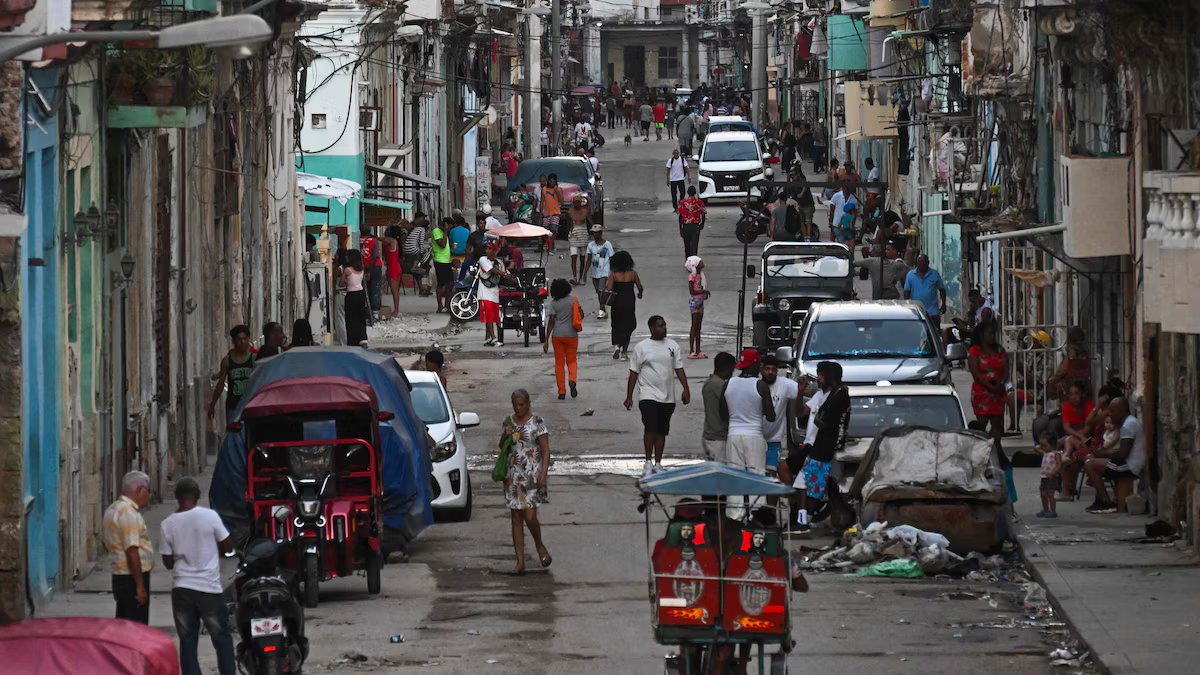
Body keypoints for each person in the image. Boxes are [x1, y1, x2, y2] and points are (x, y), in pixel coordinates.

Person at [160, 477, 236, 675]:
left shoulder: (167, 524)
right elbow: (228, 546)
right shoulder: (209, 516)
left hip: (182, 588)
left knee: (187, 641)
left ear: (177, 497)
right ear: (197, 496)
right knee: (221, 639)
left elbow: (168, 563)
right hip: (208, 588)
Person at [625, 315, 691, 476]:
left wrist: (686, 388)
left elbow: (679, 368)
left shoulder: (672, 346)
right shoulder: (642, 347)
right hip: (648, 395)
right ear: (652, 329)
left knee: (661, 431)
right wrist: (629, 396)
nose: (664, 328)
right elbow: (634, 373)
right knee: (650, 428)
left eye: (664, 325)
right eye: (660, 326)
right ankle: (648, 462)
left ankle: (658, 463)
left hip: (667, 396)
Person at [792, 361, 850, 533]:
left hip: (824, 448)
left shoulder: (838, 396)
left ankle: (804, 521)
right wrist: (800, 394)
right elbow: (801, 412)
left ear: (829, 377)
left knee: (806, 484)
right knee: (807, 485)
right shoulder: (827, 394)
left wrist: (818, 419)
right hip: (818, 447)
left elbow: (826, 423)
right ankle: (804, 520)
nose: (818, 378)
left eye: (821, 375)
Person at [501, 389, 552, 575]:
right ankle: (520, 562)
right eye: (515, 405)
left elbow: (546, 449)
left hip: (532, 474)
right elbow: (503, 447)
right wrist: (505, 435)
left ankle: (539, 545)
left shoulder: (537, 422)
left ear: (528, 404)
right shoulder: (509, 422)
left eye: (521, 405)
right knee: (516, 517)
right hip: (513, 474)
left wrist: (544, 473)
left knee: (530, 516)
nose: (518, 408)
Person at [719, 349, 775, 516]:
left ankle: (734, 516)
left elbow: (722, 413)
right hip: (754, 436)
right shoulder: (761, 385)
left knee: (735, 476)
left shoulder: (728, 384)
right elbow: (771, 415)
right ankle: (756, 515)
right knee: (756, 475)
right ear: (755, 365)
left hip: (733, 436)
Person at [102, 470, 153, 623]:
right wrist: (139, 586)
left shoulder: (113, 509)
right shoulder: (127, 513)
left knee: (124, 623)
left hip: (120, 575)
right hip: (131, 577)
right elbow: (132, 551)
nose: (148, 496)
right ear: (139, 490)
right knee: (136, 624)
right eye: (148, 491)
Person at [1084, 397, 1144, 514]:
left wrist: (1101, 453)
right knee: (1092, 461)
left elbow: (1122, 454)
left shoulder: (1128, 425)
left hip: (1130, 465)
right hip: (1129, 462)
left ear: (1121, 411)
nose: (1110, 415)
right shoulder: (1129, 422)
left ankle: (1105, 500)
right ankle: (1105, 500)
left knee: (1089, 465)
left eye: (1113, 411)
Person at [967, 321, 1008, 443]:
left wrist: (1001, 383)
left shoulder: (1000, 349)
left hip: (998, 392)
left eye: (993, 334)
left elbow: (1006, 369)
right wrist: (989, 386)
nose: (992, 336)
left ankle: (996, 448)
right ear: (982, 335)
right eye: (989, 333)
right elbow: (975, 371)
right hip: (982, 392)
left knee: (997, 424)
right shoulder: (975, 350)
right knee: (981, 424)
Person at [761, 355, 799, 479]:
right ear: (761, 370)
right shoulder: (755, 385)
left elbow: (804, 391)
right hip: (755, 439)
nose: (770, 372)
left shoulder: (785, 384)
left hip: (773, 441)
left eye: (773, 369)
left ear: (777, 371)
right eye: (767, 369)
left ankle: (772, 498)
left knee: (771, 477)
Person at [207, 325, 256, 421]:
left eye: (245, 339)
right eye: (239, 339)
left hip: (250, 405)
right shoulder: (227, 361)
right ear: (233, 341)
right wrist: (212, 404)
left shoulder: (254, 359)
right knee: (233, 433)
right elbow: (220, 384)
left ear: (248, 339)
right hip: (233, 406)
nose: (242, 342)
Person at [544, 278, 581, 400]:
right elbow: (581, 315)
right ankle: (572, 380)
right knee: (572, 361)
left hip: (557, 335)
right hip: (572, 335)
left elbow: (551, 322)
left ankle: (561, 391)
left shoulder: (554, 303)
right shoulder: (573, 300)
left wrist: (546, 340)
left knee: (559, 363)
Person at [607, 250, 643, 359]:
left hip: (617, 301)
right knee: (628, 324)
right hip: (629, 301)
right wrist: (640, 294)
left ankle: (617, 346)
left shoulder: (613, 274)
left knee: (616, 324)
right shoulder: (632, 273)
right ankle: (624, 353)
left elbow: (609, 289)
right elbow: (640, 287)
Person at [701, 352, 736, 462]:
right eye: (732, 369)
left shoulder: (708, 382)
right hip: (718, 437)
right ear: (725, 368)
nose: (732, 372)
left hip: (710, 435)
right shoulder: (720, 386)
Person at [1058, 381, 1096, 481]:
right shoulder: (1066, 406)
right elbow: (1067, 427)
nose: (1074, 397)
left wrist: (1078, 436)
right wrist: (1079, 436)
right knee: (1064, 441)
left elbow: (1088, 429)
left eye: (1077, 393)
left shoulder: (1089, 405)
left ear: (1082, 394)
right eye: (1071, 394)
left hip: (1088, 438)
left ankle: (1066, 457)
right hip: (1077, 437)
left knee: (1067, 441)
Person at [477, 243, 511, 347]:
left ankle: (488, 338)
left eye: (490, 249)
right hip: (484, 292)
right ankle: (494, 338)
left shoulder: (499, 262)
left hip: (494, 292)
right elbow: (491, 270)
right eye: (486, 248)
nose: (487, 251)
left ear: (495, 251)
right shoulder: (483, 259)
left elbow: (505, 273)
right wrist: (504, 274)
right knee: (489, 317)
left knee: (493, 316)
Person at [904, 254, 947, 333]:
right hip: (916, 311)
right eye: (920, 261)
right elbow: (907, 291)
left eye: (924, 261)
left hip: (932, 311)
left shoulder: (934, 274)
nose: (922, 263)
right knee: (917, 333)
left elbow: (942, 289)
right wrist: (908, 306)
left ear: (928, 262)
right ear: (917, 263)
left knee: (935, 333)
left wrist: (944, 304)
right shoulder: (910, 275)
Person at [1048, 326, 1091, 400]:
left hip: (1072, 385)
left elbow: (1064, 369)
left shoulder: (1073, 351)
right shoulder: (1082, 351)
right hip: (1082, 384)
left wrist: (1054, 379)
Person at [585, 225, 613, 319]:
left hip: (604, 271)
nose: (594, 234)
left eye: (596, 232)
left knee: (601, 290)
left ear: (600, 233)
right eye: (593, 233)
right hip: (595, 272)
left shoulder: (607, 244)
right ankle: (604, 310)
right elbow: (589, 260)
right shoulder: (591, 245)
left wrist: (613, 273)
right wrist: (584, 273)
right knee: (599, 292)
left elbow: (611, 258)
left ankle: (601, 311)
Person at [342, 249, 369, 346]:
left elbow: (342, 282)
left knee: (351, 318)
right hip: (360, 294)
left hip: (351, 295)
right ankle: (362, 337)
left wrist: (345, 281)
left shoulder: (347, 270)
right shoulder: (361, 269)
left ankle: (352, 340)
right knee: (361, 317)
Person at [685, 256, 710, 359]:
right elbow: (692, 291)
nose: (702, 263)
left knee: (698, 327)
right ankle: (691, 350)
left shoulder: (700, 275)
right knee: (694, 327)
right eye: (700, 262)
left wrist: (704, 294)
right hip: (695, 302)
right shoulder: (692, 276)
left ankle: (698, 350)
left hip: (700, 301)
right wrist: (704, 291)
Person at [1035, 433, 1063, 519]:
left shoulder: (1056, 454)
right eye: (1042, 445)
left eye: (1045, 445)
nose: (1043, 447)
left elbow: (1059, 465)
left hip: (1051, 476)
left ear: (1052, 445)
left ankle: (1053, 510)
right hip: (1044, 476)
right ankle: (1045, 509)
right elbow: (1036, 448)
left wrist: (1054, 472)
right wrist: (1041, 445)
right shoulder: (1045, 452)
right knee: (1043, 494)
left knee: (1050, 494)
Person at [828, 181, 860, 253]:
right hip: (837, 224)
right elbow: (832, 209)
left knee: (849, 245)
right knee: (841, 243)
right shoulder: (836, 196)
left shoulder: (854, 198)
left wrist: (852, 224)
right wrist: (830, 221)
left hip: (848, 226)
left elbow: (854, 213)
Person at [403, 214, 432, 295]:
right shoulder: (422, 230)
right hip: (412, 249)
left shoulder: (415, 229)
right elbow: (421, 242)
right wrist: (422, 250)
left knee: (425, 249)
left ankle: (421, 289)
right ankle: (420, 264)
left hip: (407, 249)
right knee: (429, 249)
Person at [567, 195, 592, 285]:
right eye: (575, 203)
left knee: (582, 259)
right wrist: (569, 233)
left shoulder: (585, 212)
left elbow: (590, 222)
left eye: (578, 202)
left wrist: (592, 232)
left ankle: (581, 277)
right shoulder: (570, 212)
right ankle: (574, 277)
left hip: (583, 237)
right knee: (573, 258)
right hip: (574, 237)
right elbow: (569, 224)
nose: (577, 204)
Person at [431, 217, 454, 313]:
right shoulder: (436, 231)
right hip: (440, 260)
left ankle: (447, 304)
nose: (449, 230)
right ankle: (440, 306)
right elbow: (442, 244)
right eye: (449, 227)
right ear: (445, 225)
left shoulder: (445, 233)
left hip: (447, 260)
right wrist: (445, 231)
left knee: (450, 283)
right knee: (441, 284)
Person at [677, 185, 706, 257]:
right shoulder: (699, 202)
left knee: (687, 247)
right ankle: (694, 262)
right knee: (694, 246)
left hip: (686, 227)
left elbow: (680, 217)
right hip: (695, 226)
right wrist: (702, 224)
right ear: (695, 193)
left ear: (687, 192)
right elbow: (703, 214)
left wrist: (680, 228)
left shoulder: (683, 202)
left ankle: (688, 261)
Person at [383, 224, 404, 318]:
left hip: (392, 268)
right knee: (396, 291)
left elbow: (381, 239)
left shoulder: (391, 241)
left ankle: (396, 311)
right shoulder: (396, 242)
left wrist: (372, 236)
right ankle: (396, 309)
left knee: (394, 291)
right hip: (396, 267)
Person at [541, 174, 566, 241]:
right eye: (550, 181)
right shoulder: (544, 189)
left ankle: (552, 244)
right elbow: (542, 201)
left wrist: (556, 191)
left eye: (553, 181)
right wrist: (541, 212)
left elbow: (561, 201)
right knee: (546, 231)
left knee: (553, 229)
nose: (551, 183)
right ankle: (547, 244)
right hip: (546, 213)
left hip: (555, 213)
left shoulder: (559, 189)